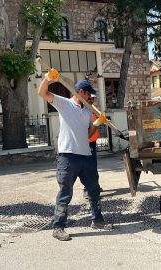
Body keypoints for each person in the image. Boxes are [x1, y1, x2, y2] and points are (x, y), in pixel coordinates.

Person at [38, 69, 114, 241]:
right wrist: (47, 79)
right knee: (65, 193)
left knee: (94, 190)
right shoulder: (63, 103)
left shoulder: (87, 111)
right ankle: (58, 227)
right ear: (81, 92)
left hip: (86, 156)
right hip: (68, 157)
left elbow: (88, 135)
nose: (91, 98)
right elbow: (42, 92)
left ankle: (98, 221)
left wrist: (96, 123)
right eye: (89, 95)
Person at [83, 94, 101, 200]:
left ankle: (94, 187)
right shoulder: (83, 111)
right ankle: (87, 189)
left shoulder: (90, 109)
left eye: (93, 98)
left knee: (93, 165)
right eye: (89, 98)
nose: (92, 100)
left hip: (92, 141)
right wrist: (97, 123)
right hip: (87, 143)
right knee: (88, 166)